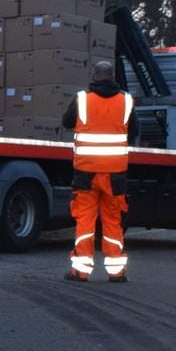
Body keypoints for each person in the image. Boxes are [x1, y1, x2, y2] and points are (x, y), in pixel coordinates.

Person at [61, 59, 135, 282]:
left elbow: (67, 122)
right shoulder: (126, 101)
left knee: (85, 219)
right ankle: (116, 272)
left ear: (94, 76)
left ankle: (81, 271)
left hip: (86, 172)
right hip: (115, 174)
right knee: (113, 220)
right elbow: (134, 131)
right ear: (113, 77)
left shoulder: (82, 99)